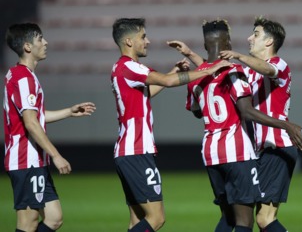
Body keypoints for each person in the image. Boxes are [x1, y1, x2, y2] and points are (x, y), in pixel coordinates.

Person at [168, 16, 302, 232]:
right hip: (254, 150)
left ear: (269, 42)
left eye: (256, 34)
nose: (250, 38)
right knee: (240, 215)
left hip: (275, 146)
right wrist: (191, 55)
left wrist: (238, 56)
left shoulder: (279, 64)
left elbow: (267, 70)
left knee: (263, 219)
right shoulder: (248, 72)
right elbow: (215, 70)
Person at [110, 18, 232, 232]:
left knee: (138, 221)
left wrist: (173, 72)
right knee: (156, 218)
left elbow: (147, 94)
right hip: (136, 151)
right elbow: (166, 82)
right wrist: (206, 71)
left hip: (127, 151)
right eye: (143, 37)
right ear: (129, 41)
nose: (147, 42)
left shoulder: (122, 68)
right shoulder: (129, 66)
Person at [3, 23, 96, 232]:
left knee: (54, 218)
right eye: (40, 39)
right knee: (28, 224)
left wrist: (69, 112)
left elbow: (35, 117)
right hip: (25, 160)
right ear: (27, 46)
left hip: (32, 160)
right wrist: (55, 155)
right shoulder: (24, 78)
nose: (45, 43)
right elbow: (30, 122)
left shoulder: (22, 75)